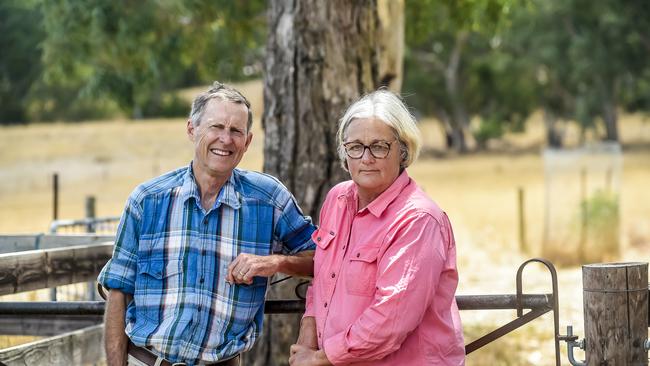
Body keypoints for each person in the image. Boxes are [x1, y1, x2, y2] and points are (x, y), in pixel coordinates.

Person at [98, 82, 316, 366]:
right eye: (216, 127)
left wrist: (274, 263)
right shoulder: (147, 200)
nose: (226, 139)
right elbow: (118, 291)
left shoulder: (269, 200)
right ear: (192, 130)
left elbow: (322, 258)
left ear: (247, 142)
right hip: (145, 360)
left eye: (236, 131)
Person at [289, 90, 465, 365]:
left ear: (403, 151)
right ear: (345, 153)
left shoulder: (418, 220)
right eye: (355, 147)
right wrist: (307, 336)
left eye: (379, 146)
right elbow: (323, 280)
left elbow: (391, 319)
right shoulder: (338, 199)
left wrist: (321, 358)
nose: (366, 158)